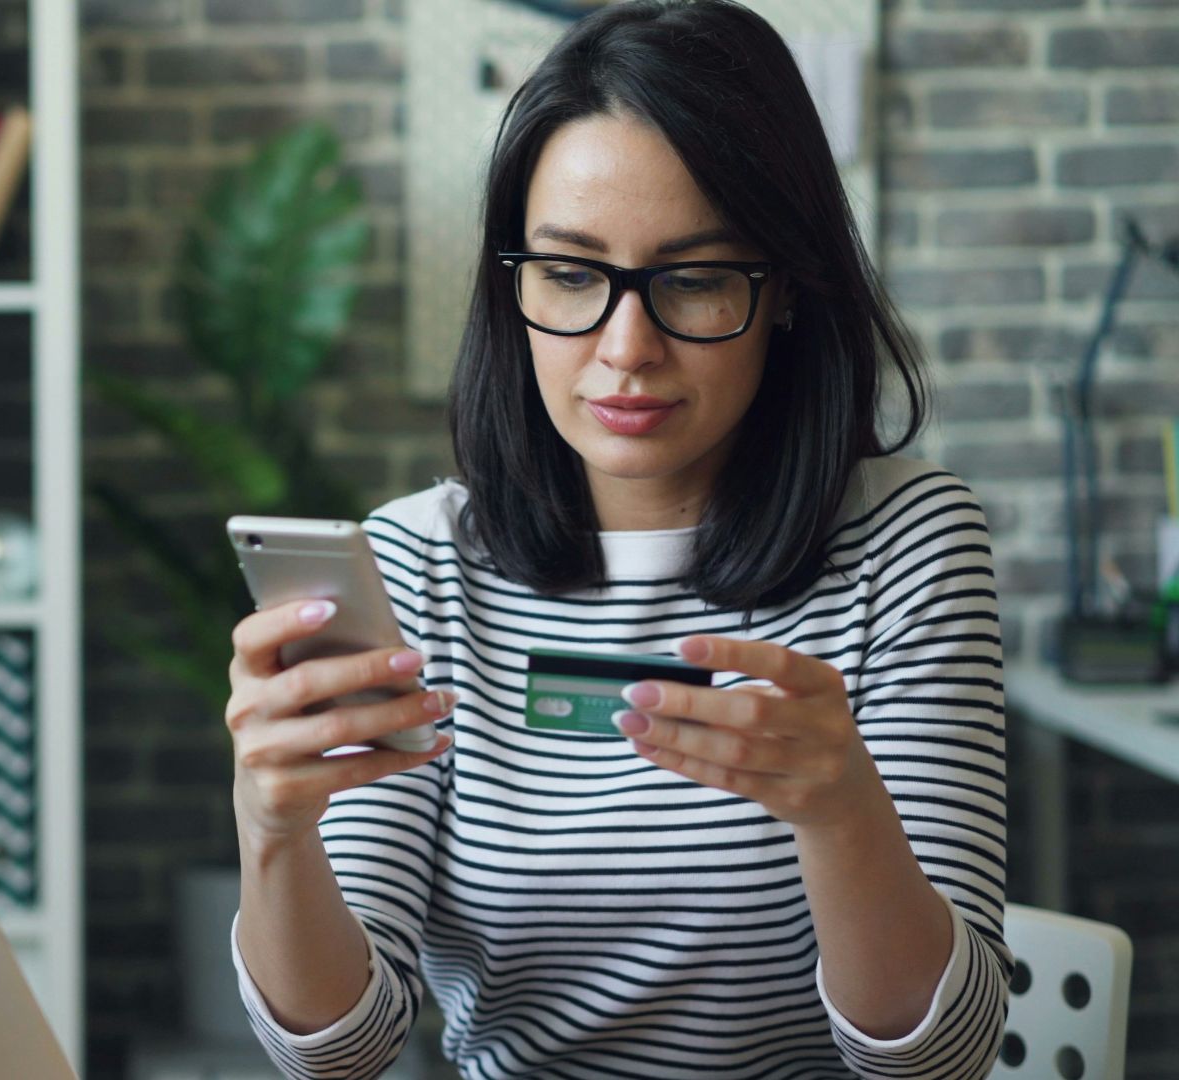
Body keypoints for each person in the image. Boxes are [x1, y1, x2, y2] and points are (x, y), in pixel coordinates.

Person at [222, 2, 1011, 1077]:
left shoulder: (907, 543)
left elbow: (944, 1059)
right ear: (514, 287)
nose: (625, 348)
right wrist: (271, 830)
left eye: (692, 278)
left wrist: (842, 814)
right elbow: (341, 1053)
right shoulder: (416, 565)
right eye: (571, 275)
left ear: (783, 289)